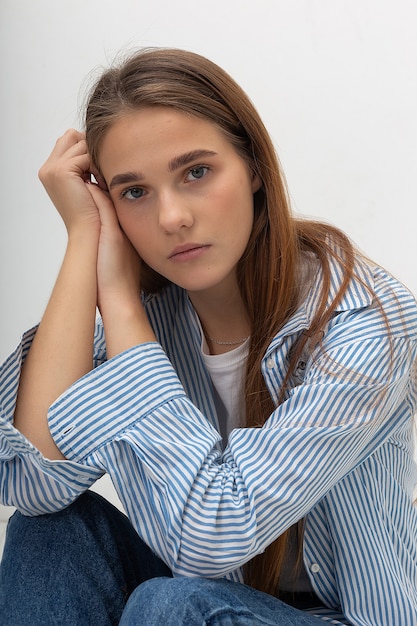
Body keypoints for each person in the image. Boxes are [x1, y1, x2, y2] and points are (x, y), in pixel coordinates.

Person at [0, 47, 416, 626]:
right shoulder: (152, 322)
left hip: (342, 617)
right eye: (134, 192)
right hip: (207, 607)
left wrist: (119, 300)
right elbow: (33, 484)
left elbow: (213, 534)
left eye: (196, 172)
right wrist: (83, 243)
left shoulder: (366, 321)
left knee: (172, 604)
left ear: (251, 167)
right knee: (49, 533)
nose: (171, 217)